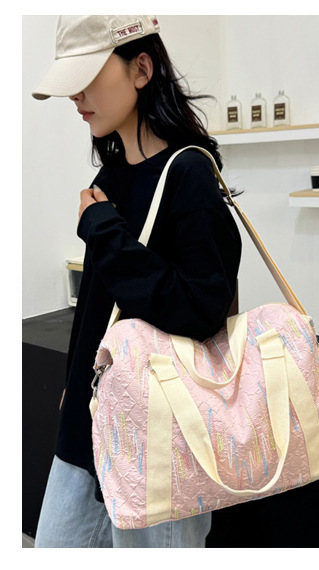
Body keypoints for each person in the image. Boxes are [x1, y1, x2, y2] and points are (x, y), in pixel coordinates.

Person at [31, 16, 242, 547]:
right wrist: (75, 377)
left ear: (141, 69)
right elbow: (100, 303)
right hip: (93, 415)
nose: (75, 96)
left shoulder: (189, 173)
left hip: (161, 434)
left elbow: (199, 309)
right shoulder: (110, 176)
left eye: (87, 75)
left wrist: (104, 231)